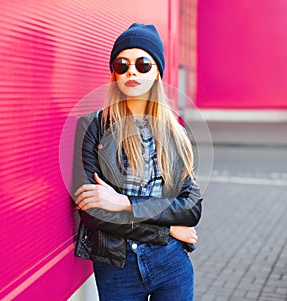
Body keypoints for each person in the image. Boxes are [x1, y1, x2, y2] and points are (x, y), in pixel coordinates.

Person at [72, 23, 203, 301]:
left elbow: (191, 209)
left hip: (172, 264)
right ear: (114, 73)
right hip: (117, 267)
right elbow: (91, 212)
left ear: (157, 73)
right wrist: (166, 230)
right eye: (122, 64)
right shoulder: (93, 127)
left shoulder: (176, 133)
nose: (132, 71)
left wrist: (125, 203)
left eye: (143, 63)